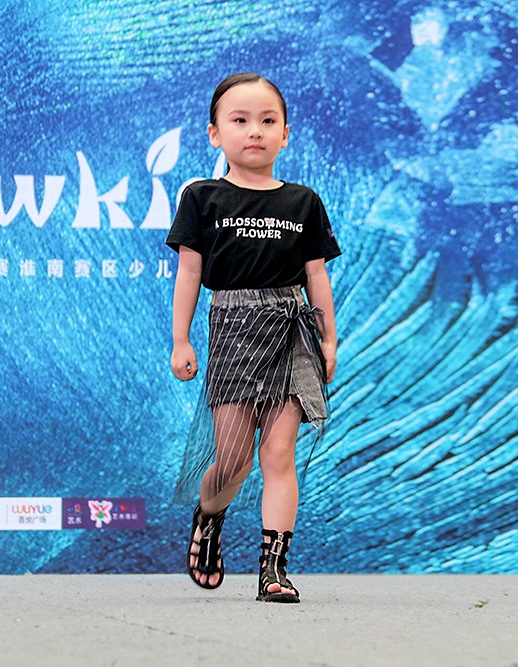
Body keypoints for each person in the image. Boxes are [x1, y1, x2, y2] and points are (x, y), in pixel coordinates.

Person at [166, 72, 341, 604]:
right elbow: (189, 273)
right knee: (234, 459)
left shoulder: (304, 202)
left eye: (268, 121)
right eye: (239, 120)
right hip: (233, 327)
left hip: (292, 329)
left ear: (285, 134)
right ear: (215, 133)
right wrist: (181, 341)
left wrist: (329, 341)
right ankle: (209, 516)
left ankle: (273, 569)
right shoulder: (202, 198)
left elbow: (316, 276)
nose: (255, 131)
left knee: (279, 453)